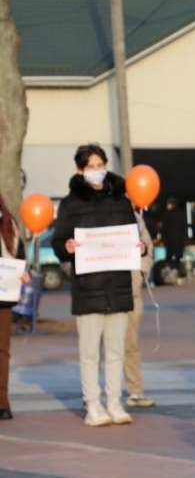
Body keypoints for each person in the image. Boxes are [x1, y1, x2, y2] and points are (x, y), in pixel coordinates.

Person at [51, 144, 145, 427]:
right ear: (80, 170)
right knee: (90, 353)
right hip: (87, 287)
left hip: (117, 286)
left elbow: (133, 235)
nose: (97, 171)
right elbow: (58, 242)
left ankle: (115, 403)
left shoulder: (121, 200)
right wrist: (67, 247)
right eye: (90, 166)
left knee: (116, 350)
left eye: (100, 165)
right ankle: (93, 405)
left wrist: (139, 247)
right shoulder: (70, 204)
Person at [124, 207, 155, 408]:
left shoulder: (136, 220)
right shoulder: (91, 215)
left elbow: (147, 249)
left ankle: (135, 391)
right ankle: (91, 395)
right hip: (99, 293)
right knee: (98, 349)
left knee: (131, 345)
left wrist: (140, 273)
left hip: (131, 293)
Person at [0, 193, 28, 421]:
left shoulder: (9, 224)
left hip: (3, 297)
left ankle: (2, 402)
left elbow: (19, 255)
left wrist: (22, 272)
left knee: (2, 351)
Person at [161, 196, 188, 268]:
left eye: (168, 204)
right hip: (180, 240)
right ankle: (178, 271)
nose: (167, 205)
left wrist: (163, 238)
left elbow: (164, 228)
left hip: (170, 240)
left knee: (169, 258)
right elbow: (185, 228)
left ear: (172, 204)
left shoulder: (167, 215)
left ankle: (171, 271)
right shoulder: (181, 214)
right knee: (178, 258)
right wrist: (185, 239)